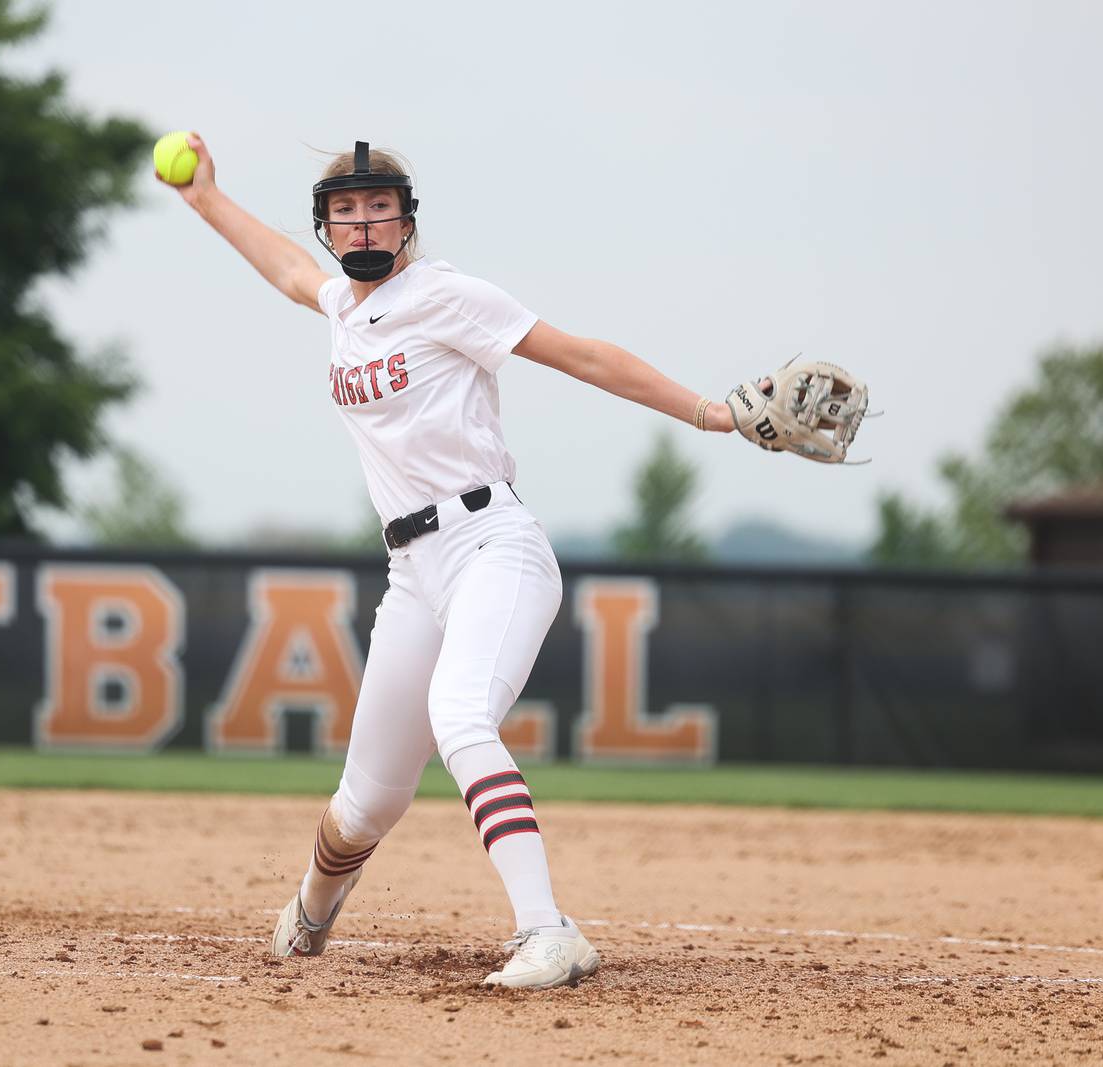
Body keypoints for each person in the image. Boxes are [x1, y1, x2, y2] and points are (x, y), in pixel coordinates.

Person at [162, 136, 738, 989]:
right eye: (346, 210)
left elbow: (579, 353)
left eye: (379, 206)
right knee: (366, 801)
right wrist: (207, 199)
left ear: (406, 218)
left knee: (461, 715)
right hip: (413, 573)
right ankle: (312, 912)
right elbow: (286, 271)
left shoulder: (445, 295)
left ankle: (549, 931)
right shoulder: (344, 309)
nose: (363, 221)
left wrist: (711, 412)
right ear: (327, 224)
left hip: (491, 544)